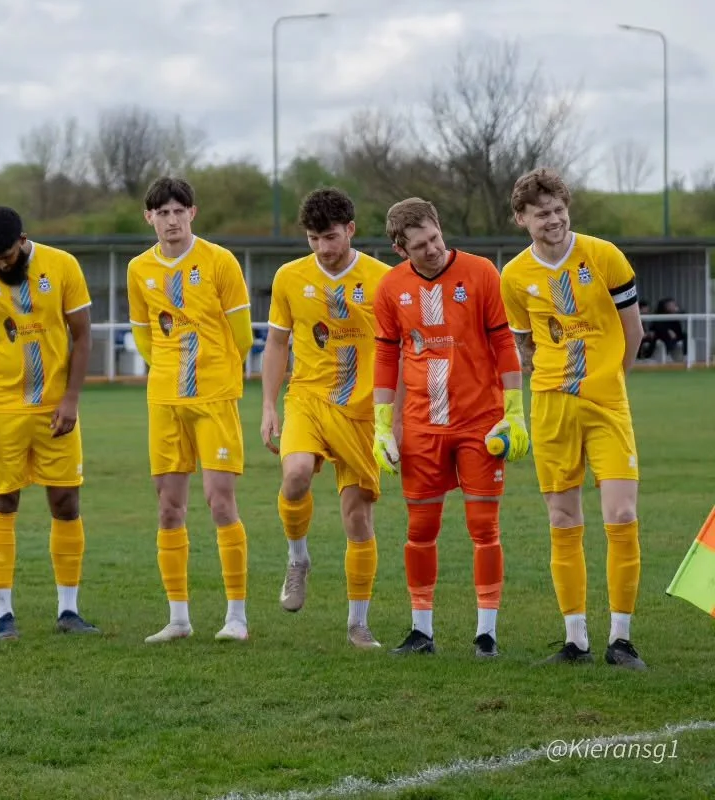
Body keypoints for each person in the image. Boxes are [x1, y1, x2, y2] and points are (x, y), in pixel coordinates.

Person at [500, 168, 647, 669]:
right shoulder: (515, 276)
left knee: (621, 515)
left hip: (607, 403)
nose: (555, 220)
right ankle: (576, 640)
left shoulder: (604, 256)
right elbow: (525, 343)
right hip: (552, 407)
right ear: (521, 219)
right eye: (542, 214)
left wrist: (610, 382)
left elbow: (635, 333)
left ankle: (622, 640)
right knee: (562, 520)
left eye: (560, 210)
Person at [371, 198, 527, 657]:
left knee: (484, 527)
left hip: (481, 421)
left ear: (441, 228)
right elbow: (385, 356)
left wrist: (514, 410)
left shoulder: (481, 273)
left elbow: (503, 342)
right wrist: (383, 424)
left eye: (436, 238)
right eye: (420, 246)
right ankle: (421, 631)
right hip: (422, 425)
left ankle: (487, 635)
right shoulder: (389, 289)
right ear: (401, 249)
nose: (433, 249)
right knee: (420, 528)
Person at [0, 206, 99, 640]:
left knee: (66, 503)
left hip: (55, 409)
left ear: (22, 240)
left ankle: (69, 611)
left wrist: (71, 399)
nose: (0, 265)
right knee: (2, 503)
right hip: (2, 411)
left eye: (6, 256)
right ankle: (3, 615)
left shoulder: (62, 265)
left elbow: (83, 335)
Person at [260, 188, 391, 648]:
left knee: (358, 519)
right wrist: (269, 406)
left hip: (361, 411)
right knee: (294, 475)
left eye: (331, 237)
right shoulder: (289, 278)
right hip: (308, 398)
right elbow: (276, 344)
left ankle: (358, 622)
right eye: (314, 239)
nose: (323, 249)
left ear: (351, 230)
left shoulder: (383, 280)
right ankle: (298, 559)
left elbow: (400, 349)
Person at [126, 177, 254, 643]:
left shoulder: (219, 261)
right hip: (164, 401)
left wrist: (215, 371)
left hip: (214, 397)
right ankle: (178, 618)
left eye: (179, 211)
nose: (171, 220)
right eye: (162, 213)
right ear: (150, 218)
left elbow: (242, 337)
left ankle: (235, 616)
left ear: (193, 214)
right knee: (168, 508)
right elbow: (143, 335)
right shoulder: (139, 268)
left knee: (220, 502)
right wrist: (167, 368)